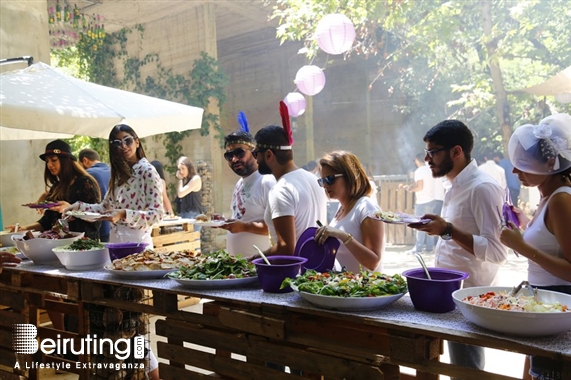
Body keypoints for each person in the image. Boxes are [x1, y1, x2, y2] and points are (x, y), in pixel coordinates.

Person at [407, 120, 507, 376]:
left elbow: (497, 251)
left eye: (433, 152)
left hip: (471, 295)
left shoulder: (482, 188)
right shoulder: (453, 186)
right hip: (446, 291)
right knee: (450, 365)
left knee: (467, 369)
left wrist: (448, 230)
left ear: (456, 151)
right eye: (427, 152)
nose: (427, 159)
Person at [499, 113, 571, 380]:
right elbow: (553, 241)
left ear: (551, 163)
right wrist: (526, 225)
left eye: (523, 165)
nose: (515, 171)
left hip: (559, 303)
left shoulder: (562, 200)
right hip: (544, 302)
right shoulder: (550, 196)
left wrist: (522, 246)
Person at [64, 124, 164, 247]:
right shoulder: (118, 174)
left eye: (128, 140)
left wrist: (124, 214)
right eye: (117, 143)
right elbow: (104, 208)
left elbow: (157, 215)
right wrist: (78, 207)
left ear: (137, 142)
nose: (123, 145)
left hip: (139, 243)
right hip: (115, 241)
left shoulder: (147, 171)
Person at [253, 124, 327, 256]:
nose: (256, 159)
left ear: (269, 155)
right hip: (315, 269)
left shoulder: (281, 190)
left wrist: (255, 258)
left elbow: (286, 248)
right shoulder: (313, 179)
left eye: (256, 153)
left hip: (294, 273)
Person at [10, 140, 101, 240]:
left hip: (83, 246)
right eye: (47, 161)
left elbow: (97, 218)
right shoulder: (56, 188)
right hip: (58, 246)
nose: (49, 165)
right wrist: (25, 228)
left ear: (66, 160)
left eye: (53, 160)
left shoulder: (85, 182)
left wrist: (71, 208)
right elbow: (47, 221)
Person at [314, 151, 384, 272]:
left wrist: (342, 236)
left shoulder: (367, 208)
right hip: (348, 287)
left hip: (367, 289)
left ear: (349, 176)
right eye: (322, 181)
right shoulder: (341, 207)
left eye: (330, 179)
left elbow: (373, 262)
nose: (325, 185)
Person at [218, 118, 276, 258]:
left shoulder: (266, 181)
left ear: (254, 153)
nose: (234, 159)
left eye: (239, 153)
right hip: (239, 269)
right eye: (229, 155)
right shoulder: (239, 183)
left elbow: (278, 227)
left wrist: (244, 227)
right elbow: (243, 218)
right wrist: (226, 222)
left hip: (261, 266)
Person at [403, 153, 436, 254]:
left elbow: (420, 187)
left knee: (420, 224)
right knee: (429, 224)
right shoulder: (430, 169)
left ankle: (418, 248)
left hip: (422, 201)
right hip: (431, 200)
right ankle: (430, 247)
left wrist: (410, 189)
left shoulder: (419, 171)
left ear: (417, 160)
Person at [79, 148, 111, 242]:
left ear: (85, 160)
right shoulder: (113, 171)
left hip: (101, 227)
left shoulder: (88, 174)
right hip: (115, 226)